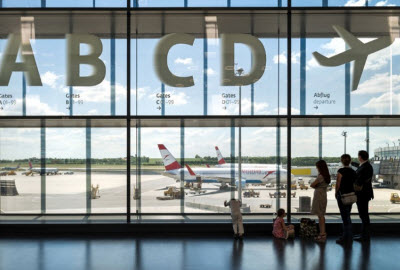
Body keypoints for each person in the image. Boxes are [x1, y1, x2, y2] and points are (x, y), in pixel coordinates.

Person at [351, 150, 374, 242]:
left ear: (360, 157)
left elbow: (360, 179)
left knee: (363, 215)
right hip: (364, 194)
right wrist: (352, 163)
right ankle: (364, 234)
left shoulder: (366, 167)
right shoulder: (366, 166)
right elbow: (359, 167)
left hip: (363, 194)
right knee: (363, 215)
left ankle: (365, 236)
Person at [335, 154, 357, 245]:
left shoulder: (341, 171)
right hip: (351, 196)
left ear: (342, 161)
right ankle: (349, 236)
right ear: (350, 161)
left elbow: (338, 183)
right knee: (348, 216)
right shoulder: (353, 171)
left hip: (343, 196)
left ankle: (346, 238)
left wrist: (336, 193)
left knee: (345, 218)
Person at [311, 160, 330, 242]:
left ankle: (322, 234)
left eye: (317, 166)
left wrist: (315, 185)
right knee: (321, 214)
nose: (316, 168)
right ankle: (322, 233)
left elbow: (312, 184)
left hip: (319, 195)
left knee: (320, 215)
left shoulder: (320, 176)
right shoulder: (326, 175)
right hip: (323, 194)